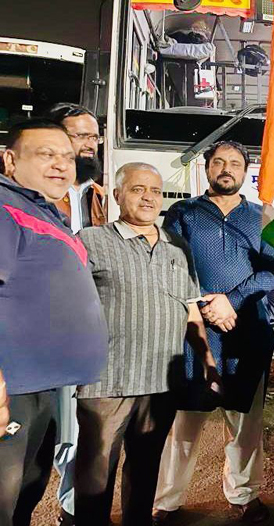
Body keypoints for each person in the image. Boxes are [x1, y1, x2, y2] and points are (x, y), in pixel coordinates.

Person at [73, 163, 219, 526]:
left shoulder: (177, 246)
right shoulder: (91, 241)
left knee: (145, 467)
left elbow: (191, 310)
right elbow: (64, 305)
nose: (148, 197)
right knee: (95, 474)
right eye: (138, 189)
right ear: (117, 195)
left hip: (161, 384)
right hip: (106, 384)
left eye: (155, 191)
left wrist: (208, 364)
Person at [154, 141, 274, 524]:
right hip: (195, 334)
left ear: (246, 171)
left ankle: (244, 494)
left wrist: (232, 299)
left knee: (246, 424)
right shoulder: (185, 213)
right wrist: (206, 305)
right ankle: (167, 501)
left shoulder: (263, 217)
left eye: (235, 163)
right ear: (207, 167)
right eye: (219, 162)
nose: (226, 168)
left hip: (247, 334)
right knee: (184, 425)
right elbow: (171, 265)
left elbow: (270, 270)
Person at [0, 119, 108, 526]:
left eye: (67, 157)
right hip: (13, 391)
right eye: (46, 155)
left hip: (41, 389)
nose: (61, 165)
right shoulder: (4, 207)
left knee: (25, 492)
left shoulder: (41, 211)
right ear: (10, 160)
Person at [46, 102, 108, 526]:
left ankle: (73, 510)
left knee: (81, 427)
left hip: (88, 330)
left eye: (94, 136)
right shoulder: (33, 196)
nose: (90, 145)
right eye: (79, 136)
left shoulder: (99, 196)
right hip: (41, 331)